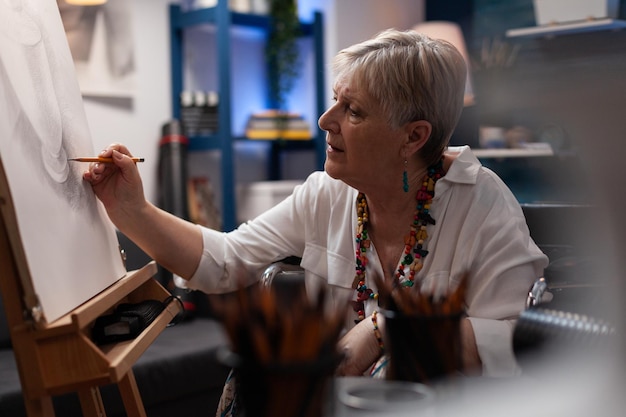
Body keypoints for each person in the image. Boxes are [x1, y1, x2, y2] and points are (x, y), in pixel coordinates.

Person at [84, 28, 547, 409]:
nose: (325, 120)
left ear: (413, 137)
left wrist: (389, 327)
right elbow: (224, 262)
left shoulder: (483, 206)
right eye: (334, 101)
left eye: (354, 110)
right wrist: (130, 209)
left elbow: (515, 341)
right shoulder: (325, 194)